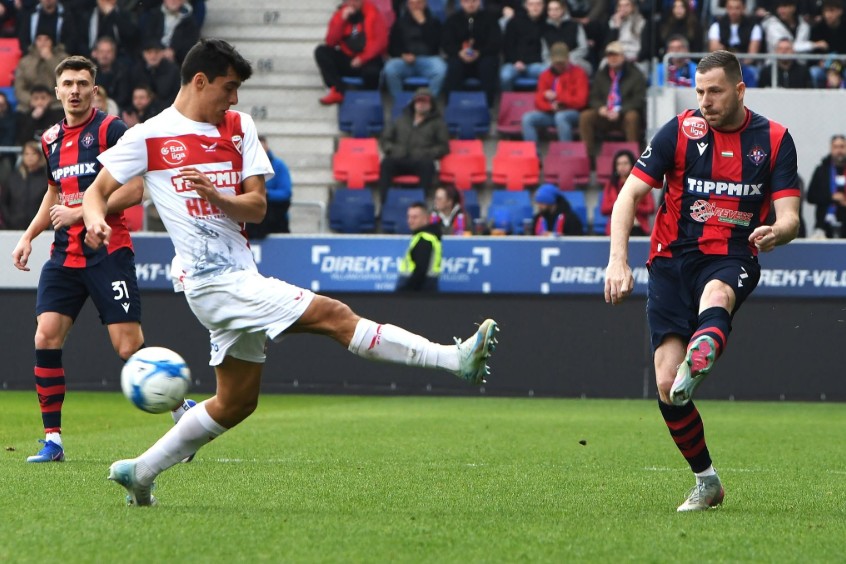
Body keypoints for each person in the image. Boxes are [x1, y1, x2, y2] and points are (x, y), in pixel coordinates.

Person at [81, 39, 499, 506]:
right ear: (200, 82)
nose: (234, 98)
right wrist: (95, 220)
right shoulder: (150, 136)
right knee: (335, 316)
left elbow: (258, 207)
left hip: (240, 274)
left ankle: (140, 472)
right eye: (228, 87)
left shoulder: (239, 126)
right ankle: (453, 359)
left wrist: (217, 197)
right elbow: (97, 191)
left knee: (237, 402)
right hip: (211, 282)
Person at [604, 50, 801, 511]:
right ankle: (707, 481)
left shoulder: (774, 139)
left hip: (732, 254)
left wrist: (778, 232)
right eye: (699, 91)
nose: (705, 101)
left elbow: (790, 216)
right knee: (666, 384)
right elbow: (628, 196)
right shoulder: (679, 130)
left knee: (718, 293)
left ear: (739, 90)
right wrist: (618, 261)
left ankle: (704, 346)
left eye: (715, 91)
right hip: (670, 261)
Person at [9, 56, 183, 463]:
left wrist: (82, 213)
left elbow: (135, 189)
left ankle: (182, 411)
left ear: (94, 90)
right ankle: (53, 440)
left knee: (127, 347)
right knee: (45, 337)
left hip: (108, 251)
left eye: (82, 83)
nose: (75, 90)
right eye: (68, 83)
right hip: (63, 256)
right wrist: (29, 235)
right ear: (57, 91)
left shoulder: (112, 130)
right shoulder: (50, 139)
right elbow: (53, 193)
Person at [377, 87, 449, 205]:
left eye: (425, 101)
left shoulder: (438, 124)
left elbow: (443, 147)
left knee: (428, 166)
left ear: (431, 104)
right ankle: (385, 205)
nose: (421, 104)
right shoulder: (400, 120)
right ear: (413, 103)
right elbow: (385, 139)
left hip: (421, 160)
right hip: (399, 157)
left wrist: (426, 153)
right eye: (418, 101)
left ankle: (421, 205)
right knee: (386, 164)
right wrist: (393, 150)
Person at [577, 40, 646, 162]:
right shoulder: (601, 74)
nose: (613, 58)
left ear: (623, 56)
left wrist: (620, 110)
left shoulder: (635, 74)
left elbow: (639, 99)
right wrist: (600, 108)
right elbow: (593, 97)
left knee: (633, 116)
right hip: (605, 114)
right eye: (609, 55)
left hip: (624, 115)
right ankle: (589, 159)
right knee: (585, 116)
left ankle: (632, 159)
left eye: (616, 55)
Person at [314, 0, 388, 105]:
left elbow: (381, 42)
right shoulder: (340, 14)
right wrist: (341, 20)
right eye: (350, 1)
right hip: (348, 57)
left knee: (372, 71)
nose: (352, 4)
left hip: (368, 58)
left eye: (356, 1)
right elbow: (330, 41)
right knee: (321, 51)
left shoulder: (373, 12)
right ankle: (338, 90)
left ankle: (367, 97)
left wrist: (363, 58)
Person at [520, 42, 589, 143]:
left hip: (573, 112)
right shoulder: (545, 75)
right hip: (551, 112)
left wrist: (559, 97)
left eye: (562, 63)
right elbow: (538, 101)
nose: (559, 66)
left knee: (561, 117)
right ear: (551, 61)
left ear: (568, 59)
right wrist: (551, 107)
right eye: (557, 63)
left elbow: (581, 101)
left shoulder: (579, 73)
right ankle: (532, 151)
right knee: (527, 118)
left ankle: (566, 151)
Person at [441, 0, 502, 107]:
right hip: (460, 56)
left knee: (489, 64)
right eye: (467, 1)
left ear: (479, 2)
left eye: (473, 1)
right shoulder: (453, 20)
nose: (470, 4)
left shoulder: (490, 19)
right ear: (461, 3)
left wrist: (479, 53)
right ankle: (453, 105)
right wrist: (459, 52)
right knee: (454, 66)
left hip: (483, 56)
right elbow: (446, 44)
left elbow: (496, 43)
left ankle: (487, 105)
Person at [383, 0, 447, 101]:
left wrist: (424, 24)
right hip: (405, 61)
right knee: (390, 68)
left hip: (427, 60)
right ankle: (399, 101)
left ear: (425, 4)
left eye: (418, 3)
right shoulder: (400, 22)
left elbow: (437, 44)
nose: (415, 6)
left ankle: (429, 101)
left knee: (441, 68)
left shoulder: (434, 21)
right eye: (412, 3)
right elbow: (392, 47)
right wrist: (402, 55)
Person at [707, 0, 763, 85]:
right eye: (731, 8)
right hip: (723, 65)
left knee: (753, 72)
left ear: (743, 8)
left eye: (737, 8)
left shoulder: (754, 27)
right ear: (726, 8)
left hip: (745, 65)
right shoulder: (716, 26)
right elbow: (714, 49)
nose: (733, 12)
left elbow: (752, 55)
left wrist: (738, 63)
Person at [245, 135, 292, 238]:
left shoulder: (278, 165)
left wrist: (266, 193)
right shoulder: (245, 166)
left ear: (267, 148)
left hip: (275, 218)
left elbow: (285, 193)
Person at [599, 149, 653, 235]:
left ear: (632, 165)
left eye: (625, 163)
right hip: (616, 228)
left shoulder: (641, 183)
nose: (622, 167)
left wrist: (633, 205)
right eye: (619, 164)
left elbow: (650, 208)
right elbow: (604, 209)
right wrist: (621, 204)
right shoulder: (610, 185)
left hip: (638, 228)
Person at [499, 0, 548, 91]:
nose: (535, 7)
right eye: (531, 4)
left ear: (543, 6)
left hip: (535, 64)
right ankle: (507, 100)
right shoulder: (514, 22)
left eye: (538, 4)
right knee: (505, 76)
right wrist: (515, 61)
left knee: (549, 73)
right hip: (513, 63)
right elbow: (507, 46)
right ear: (526, 6)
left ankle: (543, 99)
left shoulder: (546, 24)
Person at [0, 140, 49, 229]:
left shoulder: (46, 180)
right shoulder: (12, 178)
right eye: (26, 154)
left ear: (39, 156)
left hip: (39, 229)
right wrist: (9, 221)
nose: (30, 157)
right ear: (22, 156)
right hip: (13, 228)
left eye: (33, 154)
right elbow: (3, 203)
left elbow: (50, 204)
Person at [14, 33, 68, 114]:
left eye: (46, 39)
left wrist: (50, 59)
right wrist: (32, 100)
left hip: (55, 102)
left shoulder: (64, 59)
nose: (43, 43)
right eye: (39, 39)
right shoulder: (24, 61)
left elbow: (65, 80)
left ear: (52, 41)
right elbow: (19, 88)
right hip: (29, 104)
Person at [806, 133, 846, 238]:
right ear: (831, 149)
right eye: (836, 147)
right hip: (824, 225)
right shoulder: (821, 170)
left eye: (842, 147)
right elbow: (810, 196)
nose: (839, 150)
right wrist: (831, 197)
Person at [396, 201, 442, 291]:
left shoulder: (425, 239)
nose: (410, 221)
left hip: (419, 291)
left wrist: (406, 290)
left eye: (414, 217)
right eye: (409, 217)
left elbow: (421, 270)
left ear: (425, 219)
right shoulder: (423, 236)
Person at [809, 0, 846, 88]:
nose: (828, 14)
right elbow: (814, 56)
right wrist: (828, 68)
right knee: (814, 72)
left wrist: (834, 69)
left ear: (840, 11)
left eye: (832, 10)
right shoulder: (817, 29)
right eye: (825, 11)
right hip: (824, 67)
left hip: (843, 65)